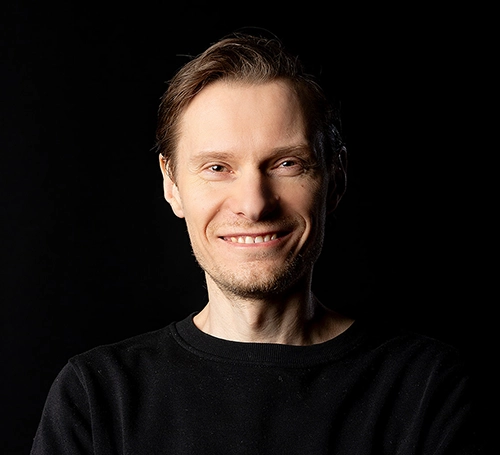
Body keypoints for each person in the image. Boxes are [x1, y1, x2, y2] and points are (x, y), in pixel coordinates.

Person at [31, 32, 483, 454]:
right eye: (217, 168)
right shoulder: (97, 395)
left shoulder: (426, 388)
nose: (254, 205)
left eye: (287, 164)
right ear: (172, 185)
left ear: (336, 179)